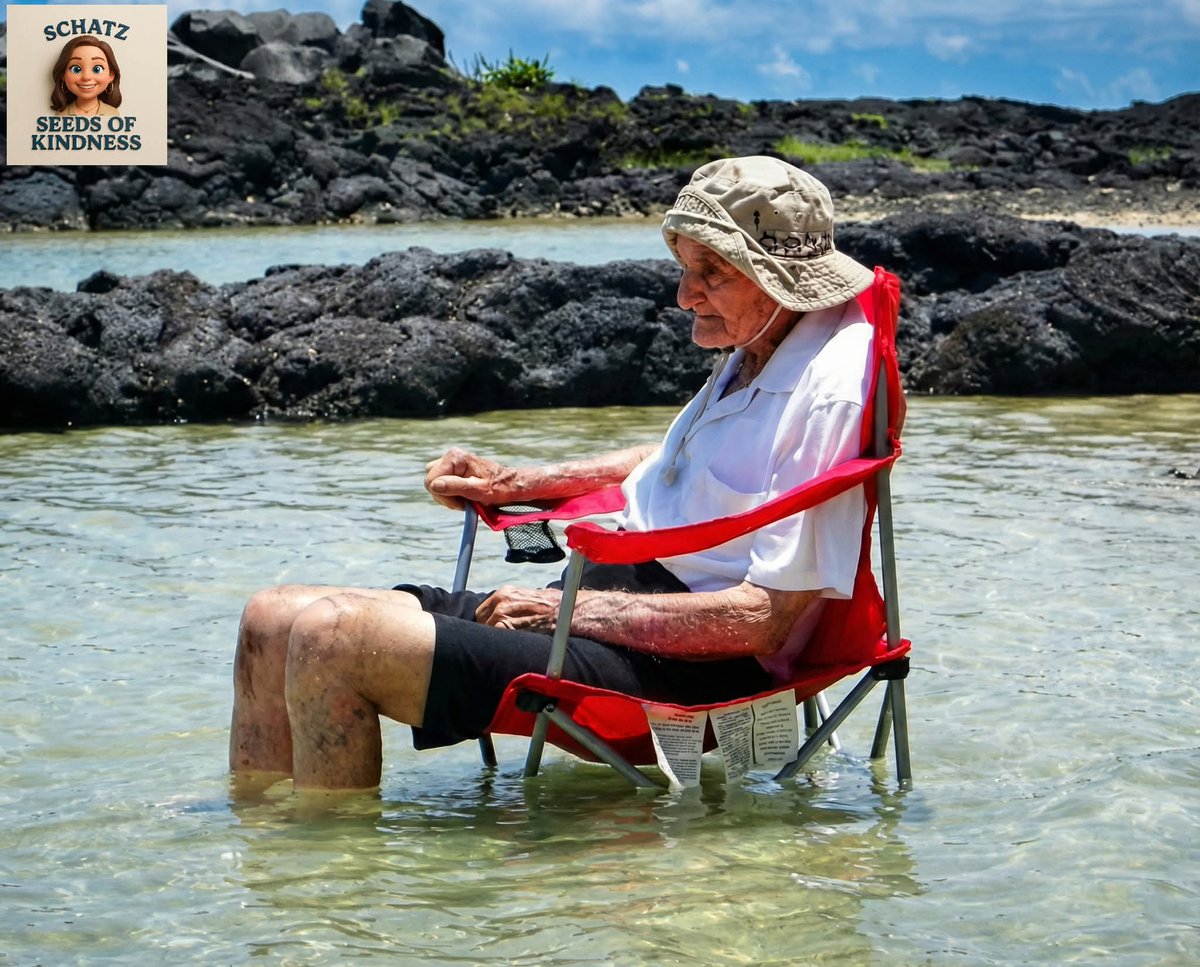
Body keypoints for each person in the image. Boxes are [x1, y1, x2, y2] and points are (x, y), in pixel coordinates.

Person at [230, 156, 886, 792]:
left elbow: (761, 622)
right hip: (603, 611)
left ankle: (323, 890)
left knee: (331, 640)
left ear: (775, 276)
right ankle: (257, 851)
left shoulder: (826, 387)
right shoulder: (761, 344)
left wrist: (567, 612)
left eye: (709, 271)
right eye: (685, 269)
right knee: (270, 618)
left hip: (686, 668)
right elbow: (673, 460)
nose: (685, 295)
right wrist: (520, 482)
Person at [50, 36, 123, 118]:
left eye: (97, 69)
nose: (86, 77)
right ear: (63, 74)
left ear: (111, 75)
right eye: (76, 69)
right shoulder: (61, 115)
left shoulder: (113, 114)